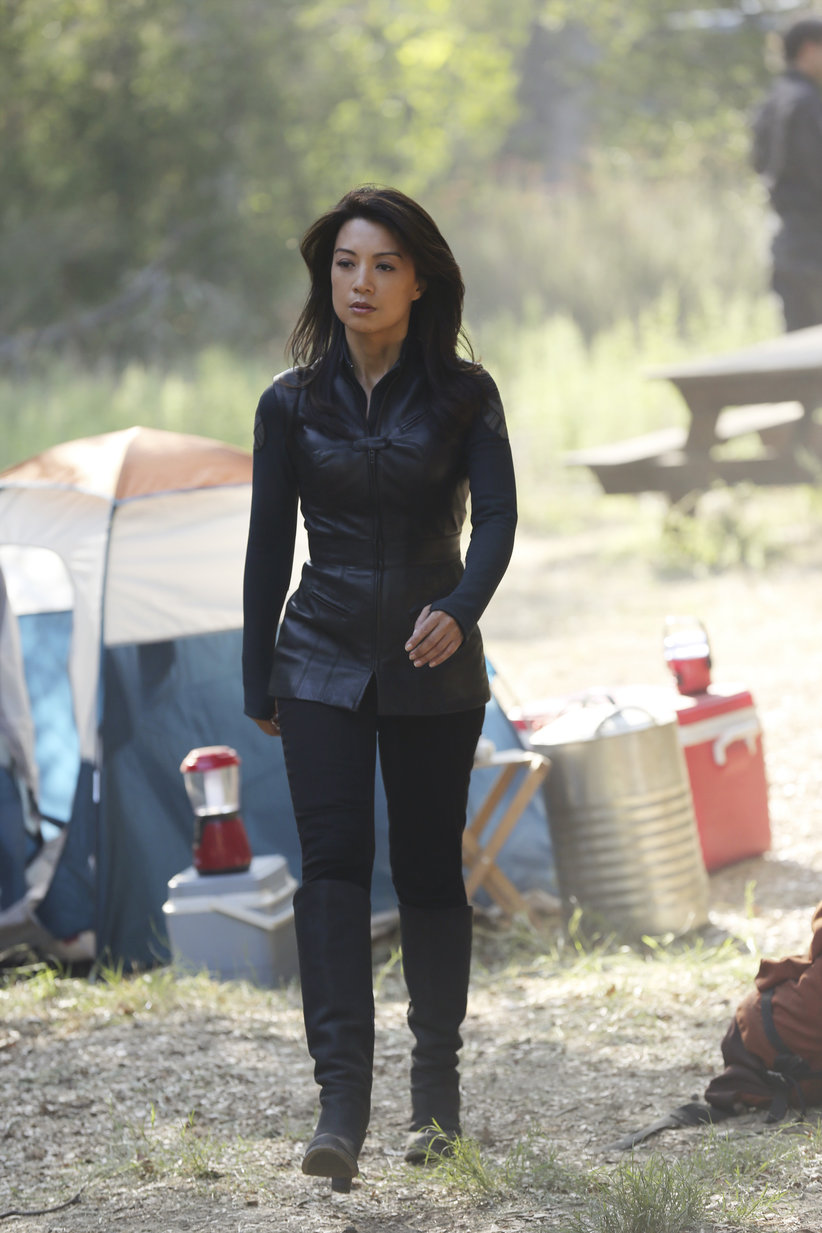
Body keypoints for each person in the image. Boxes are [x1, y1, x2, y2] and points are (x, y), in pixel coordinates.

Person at [242, 186, 517, 1190]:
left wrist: (462, 607)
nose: (361, 282)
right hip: (318, 652)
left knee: (430, 869)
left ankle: (436, 1100)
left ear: (420, 281)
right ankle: (340, 1109)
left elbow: (497, 520)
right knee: (332, 868)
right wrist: (258, 672)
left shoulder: (465, 394)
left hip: (432, 656)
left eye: (384, 265)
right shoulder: (288, 403)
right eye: (346, 263)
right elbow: (268, 544)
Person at [752, 18, 822, 331]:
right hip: (814, 246)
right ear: (809, 49)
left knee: (800, 347)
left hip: (787, 245)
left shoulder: (772, 101)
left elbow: (758, 164)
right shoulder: (806, 103)